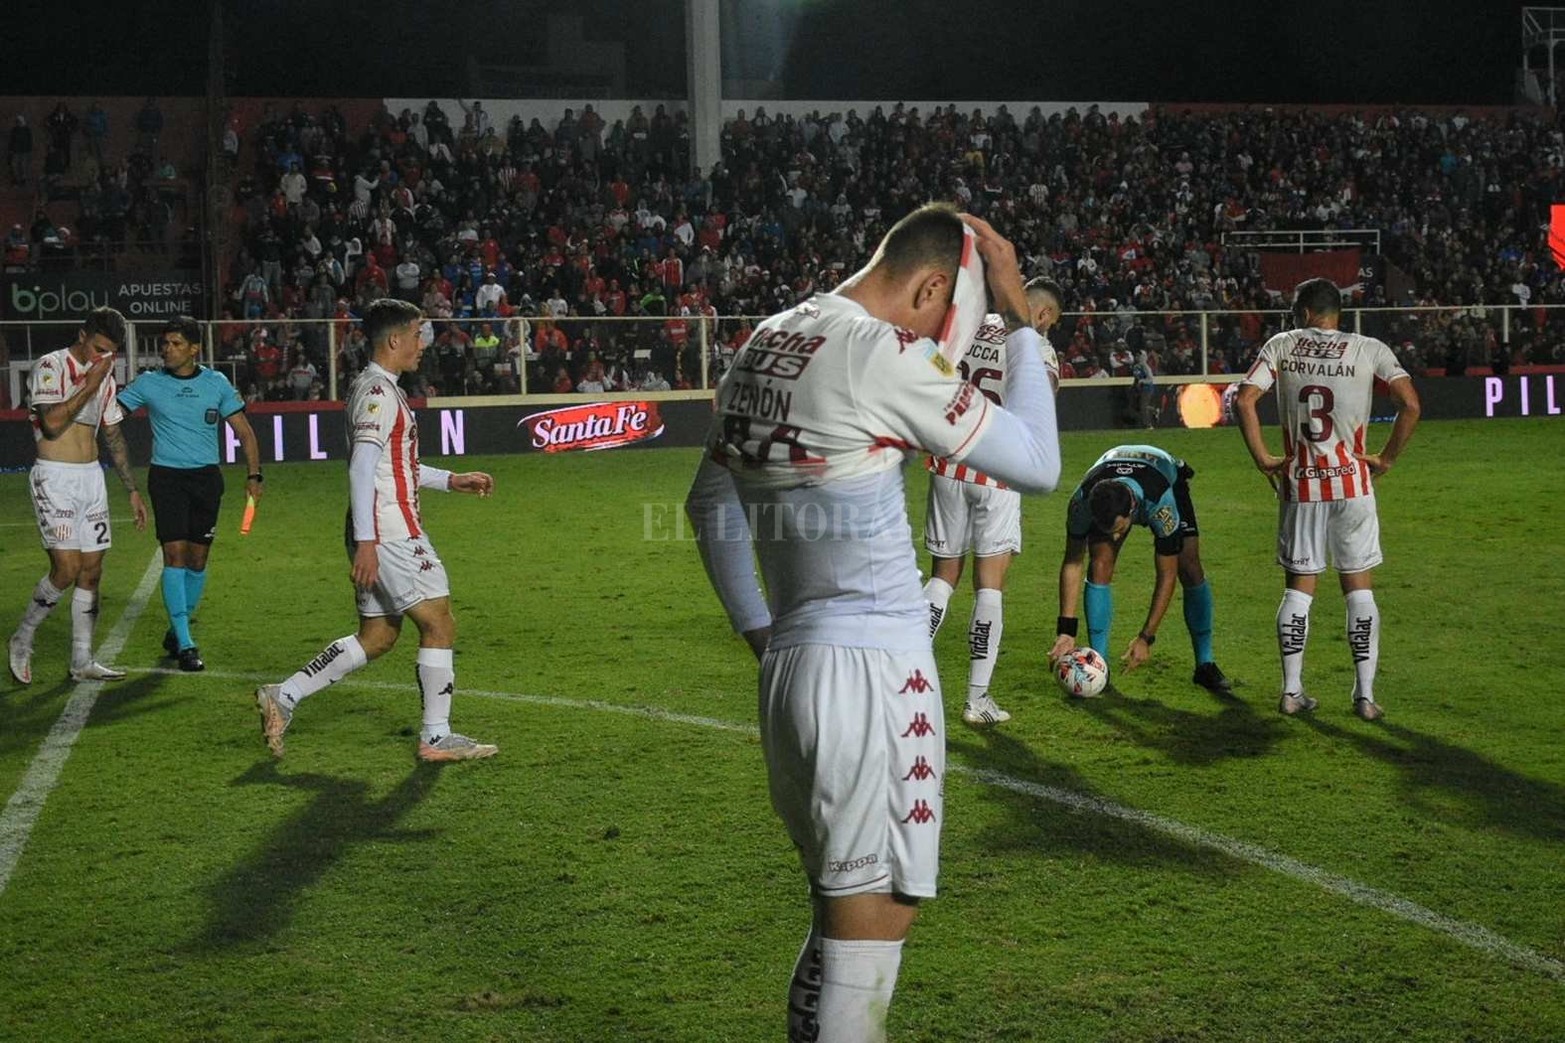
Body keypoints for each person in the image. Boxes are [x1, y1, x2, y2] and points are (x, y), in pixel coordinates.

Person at [685, 206, 1061, 1043]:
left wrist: (758, 628)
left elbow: (708, 504)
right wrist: (1013, 314)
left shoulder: (766, 338)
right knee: (869, 936)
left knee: (837, 920)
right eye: (949, 319)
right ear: (931, 287)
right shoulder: (877, 352)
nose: (944, 343)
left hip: (793, 665)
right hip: (872, 675)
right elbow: (1037, 461)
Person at [254, 299, 499, 762]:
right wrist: (368, 543)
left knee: (379, 636)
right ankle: (436, 736)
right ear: (394, 340)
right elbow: (363, 468)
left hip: (378, 527)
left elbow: (394, 464)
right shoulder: (379, 394)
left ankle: (282, 695)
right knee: (439, 621)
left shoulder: (379, 389)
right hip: (390, 530)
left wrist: (451, 480)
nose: (422, 344)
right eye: (417, 334)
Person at [1233, 277, 1421, 720]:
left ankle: (1292, 691)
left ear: (1301, 313)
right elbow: (1411, 404)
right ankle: (1365, 697)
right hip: (1352, 484)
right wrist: (1388, 458)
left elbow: (1244, 401)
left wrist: (1263, 458)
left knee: (1300, 590)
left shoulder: (1282, 344)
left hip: (1301, 485)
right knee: (1358, 589)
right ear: (1338, 313)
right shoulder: (1368, 349)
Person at [921, 276, 1062, 726]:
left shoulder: (967, 325)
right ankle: (976, 698)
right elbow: (1043, 403)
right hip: (997, 472)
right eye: (1051, 321)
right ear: (1040, 314)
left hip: (948, 463)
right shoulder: (1034, 346)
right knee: (989, 587)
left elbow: (929, 366)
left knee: (943, 579)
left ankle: (905, 678)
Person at [8, 307, 148, 685]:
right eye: (99, 348)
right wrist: (91, 380)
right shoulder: (50, 366)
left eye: (110, 352)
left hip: (91, 478)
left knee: (92, 570)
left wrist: (131, 490)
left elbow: (113, 435)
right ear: (82, 335)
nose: (103, 358)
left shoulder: (103, 376)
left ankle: (82, 660)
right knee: (66, 569)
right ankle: (22, 637)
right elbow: (51, 426)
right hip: (55, 478)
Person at [115, 316, 263, 672]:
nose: (167, 349)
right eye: (165, 343)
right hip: (167, 479)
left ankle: (176, 630)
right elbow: (111, 415)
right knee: (174, 554)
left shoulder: (216, 383)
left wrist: (254, 474)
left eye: (176, 343)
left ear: (194, 349)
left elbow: (244, 431)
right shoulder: (149, 384)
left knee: (197, 561)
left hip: (206, 481)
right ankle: (185, 643)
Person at [1048, 444, 1235, 697]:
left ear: (1132, 512)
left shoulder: (1160, 503)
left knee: (1189, 567)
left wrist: (1146, 637)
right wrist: (1066, 631)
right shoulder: (1081, 502)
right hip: (1112, 471)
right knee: (1100, 561)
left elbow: (1166, 575)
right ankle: (1100, 665)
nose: (1114, 536)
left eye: (1119, 529)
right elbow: (1072, 560)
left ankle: (1205, 664)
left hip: (1165, 476)